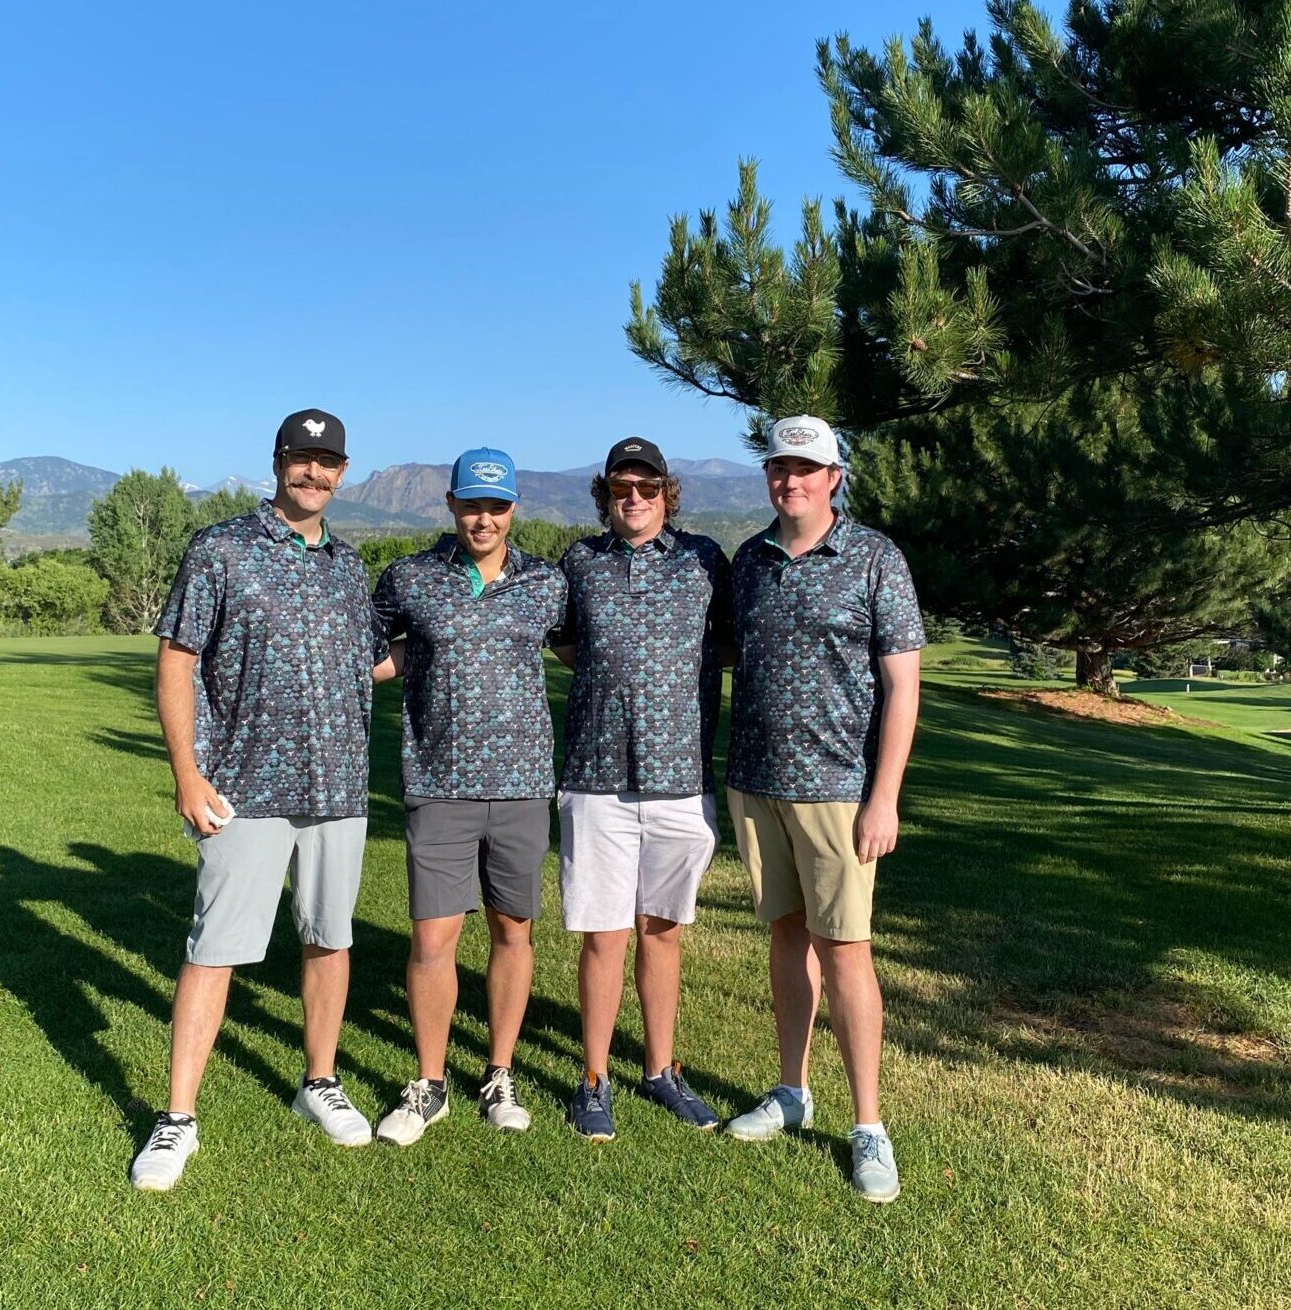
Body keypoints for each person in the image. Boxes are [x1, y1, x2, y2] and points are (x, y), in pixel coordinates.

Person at [129, 408, 391, 1192]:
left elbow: (371, 664)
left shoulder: (350, 567)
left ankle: (318, 1082)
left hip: (338, 788)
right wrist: (187, 773)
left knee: (329, 940)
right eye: (300, 459)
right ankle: (176, 1119)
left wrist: (466, 636)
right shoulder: (222, 550)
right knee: (214, 952)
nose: (313, 473)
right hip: (243, 787)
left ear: (343, 473)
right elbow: (177, 660)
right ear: (277, 463)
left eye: (327, 463)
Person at [721, 415, 924, 1204]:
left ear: (835, 476)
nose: (790, 480)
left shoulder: (874, 558)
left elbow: (903, 685)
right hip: (757, 781)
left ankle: (869, 1124)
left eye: (807, 468)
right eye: (779, 466)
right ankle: (790, 1090)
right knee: (786, 937)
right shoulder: (751, 559)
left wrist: (884, 796)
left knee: (847, 953)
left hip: (840, 790)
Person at [371, 448, 566, 1146]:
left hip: (520, 786)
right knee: (432, 937)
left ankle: (499, 1071)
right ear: (450, 504)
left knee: (513, 931)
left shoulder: (547, 583)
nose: (483, 518)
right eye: (471, 504)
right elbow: (369, 653)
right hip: (437, 783)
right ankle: (430, 1083)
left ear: (514, 509)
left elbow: (581, 652)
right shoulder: (411, 578)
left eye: (497, 506)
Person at [551, 438, 730, 1142]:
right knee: (604, 936)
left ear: (666, 493)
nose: (635, 498)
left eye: (647, 488)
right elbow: (567, 643)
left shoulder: (704, 560)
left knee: (662, 932)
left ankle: (660, 1071)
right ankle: (593, 1079)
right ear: (605, 493)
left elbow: (731, 642)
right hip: (596, 779)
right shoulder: (580, 562)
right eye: (622, 487)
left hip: (681, 778)